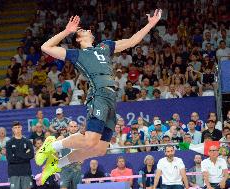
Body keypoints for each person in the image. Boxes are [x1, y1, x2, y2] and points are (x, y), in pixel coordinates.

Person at [36, 10, 162, 184]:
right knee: (90, 140)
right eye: (82, 30)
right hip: (99, 94)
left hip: (112, 97)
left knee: (101, 148)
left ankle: (56, 164)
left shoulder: (105, 46)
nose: (86, 29)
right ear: (79, 39)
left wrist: (150, 24)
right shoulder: (77, 54)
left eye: (85, 29)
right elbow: (46, 48)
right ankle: (52, 145)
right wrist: (66, 31)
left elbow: (132, 41)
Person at [6, 121, 34, 189]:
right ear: (12, 129)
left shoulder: (27, 142)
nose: (17, 129)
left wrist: (16, 155)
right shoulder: (9, 143)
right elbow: (10, 159)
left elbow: (31, 155)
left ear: (21, 128)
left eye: (19, 127)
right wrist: (25, 155)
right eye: (15, 127)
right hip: (14, 173)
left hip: (26, 172)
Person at [58, 121, 82, 189]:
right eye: (71, 126)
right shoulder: (62, 138)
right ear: (68, 127)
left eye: (75, 126)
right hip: (65, 168)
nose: (73, 128)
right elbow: (53, 149)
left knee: (77, 187)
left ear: (77, 128)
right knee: (63, 187)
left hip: (76, 167)